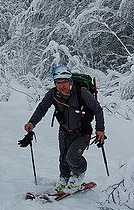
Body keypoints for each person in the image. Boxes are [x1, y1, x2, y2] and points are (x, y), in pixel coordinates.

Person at [23, 64, 105, 192]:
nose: (62, 86)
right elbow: (42, 108)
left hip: (83, 132)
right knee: (63, 158)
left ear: (70, 82)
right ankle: (64, 178)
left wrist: (100, 129)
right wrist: (32, 123)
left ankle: (78, 174)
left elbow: (98, 109)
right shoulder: (53, 94)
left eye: (65, 82)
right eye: (58, 83)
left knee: (72, 157)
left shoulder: (81, 93)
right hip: (64, 131)